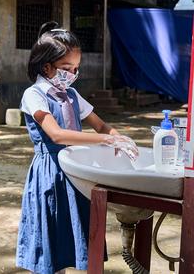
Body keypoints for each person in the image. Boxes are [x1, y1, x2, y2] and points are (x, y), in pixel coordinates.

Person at [15, 21, 139, 274]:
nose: (71, 74)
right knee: (50, 237)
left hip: (77, 172)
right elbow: (57, 135)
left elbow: (101, 125)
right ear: (46, 66)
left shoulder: (71, 94)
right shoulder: (34, 95)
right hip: (50, 172)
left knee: (77, 233)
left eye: (75, 69)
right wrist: (106, 141)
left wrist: (122, 139)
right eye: (66, 68)